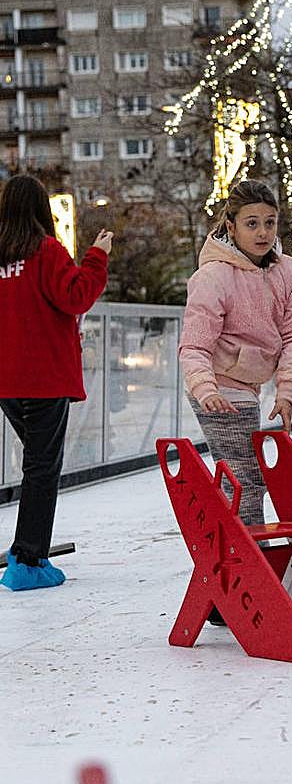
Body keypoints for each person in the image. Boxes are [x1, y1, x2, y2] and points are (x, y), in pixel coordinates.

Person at [178, 180, 292, 621]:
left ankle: (222, 594)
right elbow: (194, 344)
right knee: (246, 483)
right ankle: (254, 585)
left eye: (270, 222)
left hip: (253, 386)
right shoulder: (212, 276)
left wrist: (287, 393)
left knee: (242, 485)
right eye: (251, 223)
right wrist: (205, 388)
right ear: (230, 226)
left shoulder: (287, 271)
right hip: (218, 385)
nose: (263, 232)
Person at [0, 175, 112, 591]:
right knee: (42, 469)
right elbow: (77, 296)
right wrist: (97, 256)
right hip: (43, 377)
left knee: (36, 464)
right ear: (41, 209)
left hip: (6, 381)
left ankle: (26, 553)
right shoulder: (45, 250)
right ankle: (27, 561)